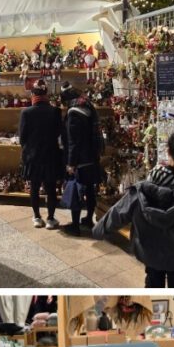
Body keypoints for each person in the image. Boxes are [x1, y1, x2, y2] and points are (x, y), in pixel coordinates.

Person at [92, 130, 174, 288]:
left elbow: (119, 211)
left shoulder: (143, 188)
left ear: (167, 150)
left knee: (152, 284)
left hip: (149, 252)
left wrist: (99, 229)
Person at [18, 81, 64, 230]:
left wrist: (27, 148)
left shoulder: (26, 112)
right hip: (51, 154)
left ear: (33, 95)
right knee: (51, 188)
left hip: (32, 156)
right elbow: (59, 133)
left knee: (34, 187)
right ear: (46, 95)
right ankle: (50, 219)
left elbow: (22, 137)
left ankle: (37, 218)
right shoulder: (55, 111)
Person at [61, 83, 104, 236]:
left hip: (80, 159)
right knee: (90, 190)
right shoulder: (88, 108)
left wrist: (71, 163)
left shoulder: (74, 113)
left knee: (76, 190)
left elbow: (74, 141)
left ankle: (75, 225)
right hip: (92, 156)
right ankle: (88, 219)